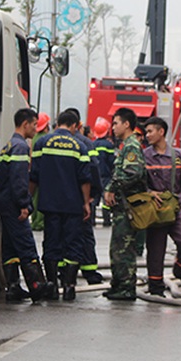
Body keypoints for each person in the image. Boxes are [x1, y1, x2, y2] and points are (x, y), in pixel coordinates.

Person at [30, 110, 92, 301]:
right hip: (73, 205)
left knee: (51, 243)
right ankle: (69, 287)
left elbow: (34, 175)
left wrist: (27, 199)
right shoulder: (79, 146)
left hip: (49, 204)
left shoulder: (42, 143)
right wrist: (86, 202)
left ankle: (52, 286)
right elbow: (85, 178)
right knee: (73, 244)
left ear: (57, 123)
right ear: (74, 126)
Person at [0, 108, 51, 301]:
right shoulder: (20, 147)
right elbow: (19, 180)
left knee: (10, 246)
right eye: (34, 125)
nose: (36, 128)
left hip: (4, 203)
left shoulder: (8, 145)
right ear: (25, 124)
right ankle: (37, 286)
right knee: (25, 244)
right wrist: (24, 204)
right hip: (14, 205)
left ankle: (13, 287)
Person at [141, 117, 181, 295]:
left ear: (161, 132)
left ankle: (180, 269)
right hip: (156, 208)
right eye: (146, 132)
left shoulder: (179, 155)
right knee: (156, 249)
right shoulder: (144, 156)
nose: (147, 135)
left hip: (177, 205)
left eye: (150, 131)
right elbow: (139, 182)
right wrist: (149, 192)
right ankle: (155, 285)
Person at [102, 108, 147, 301]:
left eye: (116, 123)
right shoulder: (126, 145)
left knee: (124, 248)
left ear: (126, 124)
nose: (113, 127)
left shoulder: (131, 146)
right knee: (117, 247)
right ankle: (118, 285)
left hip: (128, 205)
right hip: (122, 206)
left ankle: (126, 287)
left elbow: (132, 173)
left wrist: (112, 188)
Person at [65, 107, 103, 285]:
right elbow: (94, 170)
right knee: (85, 234)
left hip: (62, 198)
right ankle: (89, 272)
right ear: (78, 125)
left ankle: (63, 273)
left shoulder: (52, 141)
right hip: (82, 197)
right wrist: (94, 195)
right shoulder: (86, 143)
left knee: (63, 235)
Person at [92, 117, 116, 228]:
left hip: (95, 175)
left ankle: (91, 220)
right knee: (106, 197)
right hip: (106, 175)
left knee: (94, 198)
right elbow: (111, 161)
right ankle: (107, 220)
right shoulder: (108, 145)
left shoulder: (92, 144)